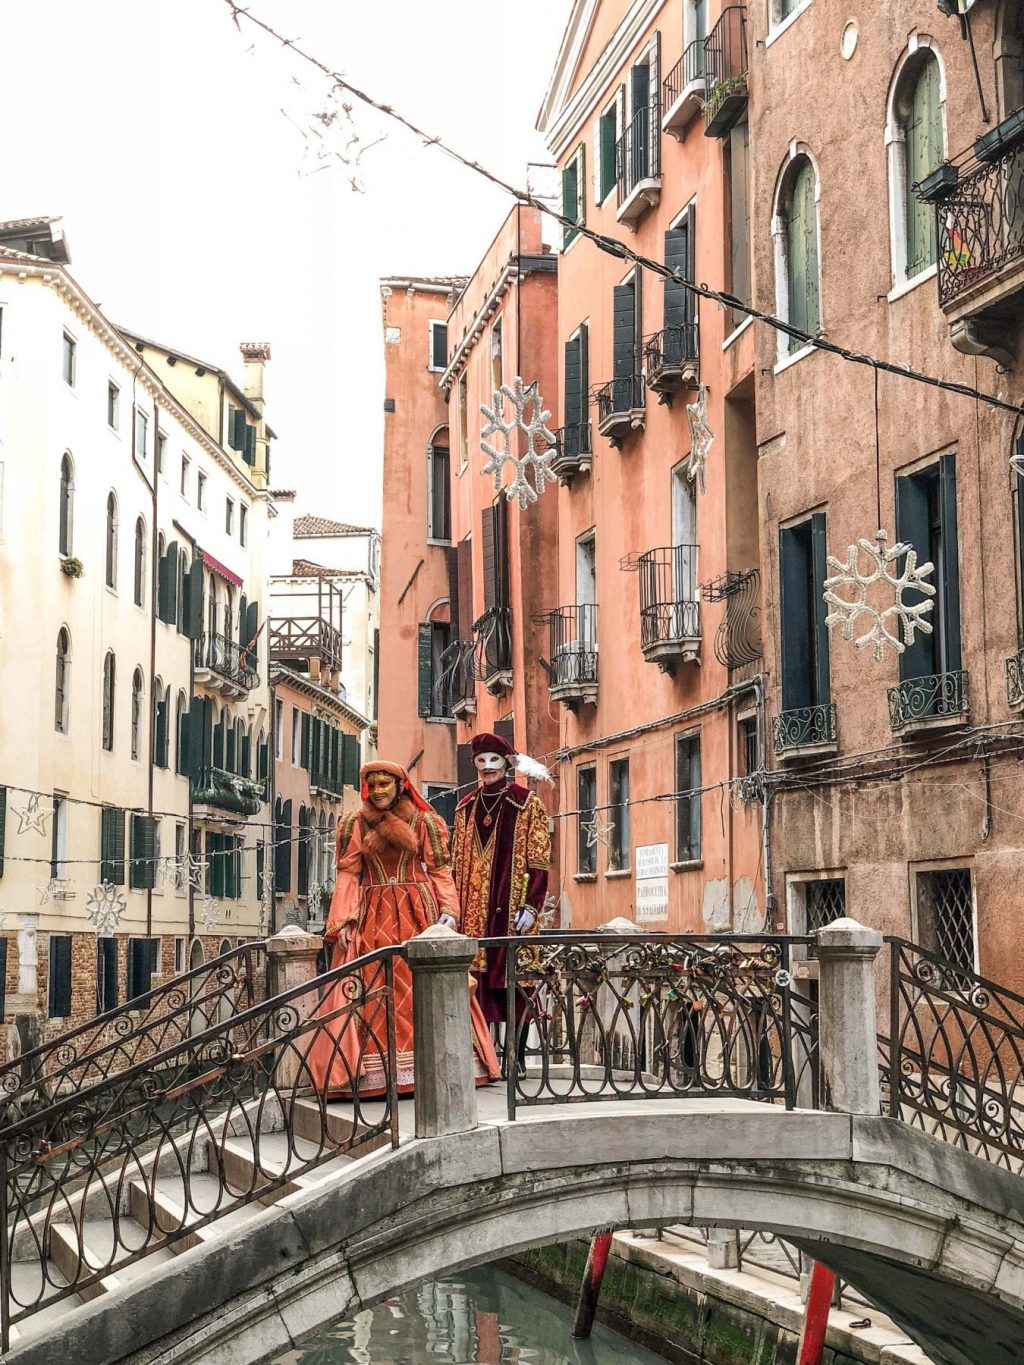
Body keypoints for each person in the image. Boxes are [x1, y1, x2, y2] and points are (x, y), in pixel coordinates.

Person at [309, 761, 500, 1097]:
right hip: (372, 914)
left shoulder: (424, 820)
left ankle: (435, 1065)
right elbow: (349, 873)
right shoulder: (354, 823)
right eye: (373, 785)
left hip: (418, 911)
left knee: (418, 984)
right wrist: (344, 919)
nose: (379, 791)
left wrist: (450, 912)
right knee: (373, 986)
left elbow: (439, 870)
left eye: (385, 784)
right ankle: (377, 1074)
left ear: (399, 785)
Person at [451, 733, 551, 1028]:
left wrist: (531, 906)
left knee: (516, 985)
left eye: (493, 760)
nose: (487, 767)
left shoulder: (527, 803)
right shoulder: (465, 807)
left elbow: (538, 860)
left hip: (513, 911)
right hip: (471, 916)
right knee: (474, 987)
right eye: (481, 761)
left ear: (506, 763)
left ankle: (516, 1055)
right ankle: (484, 1056)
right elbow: (455, 865)